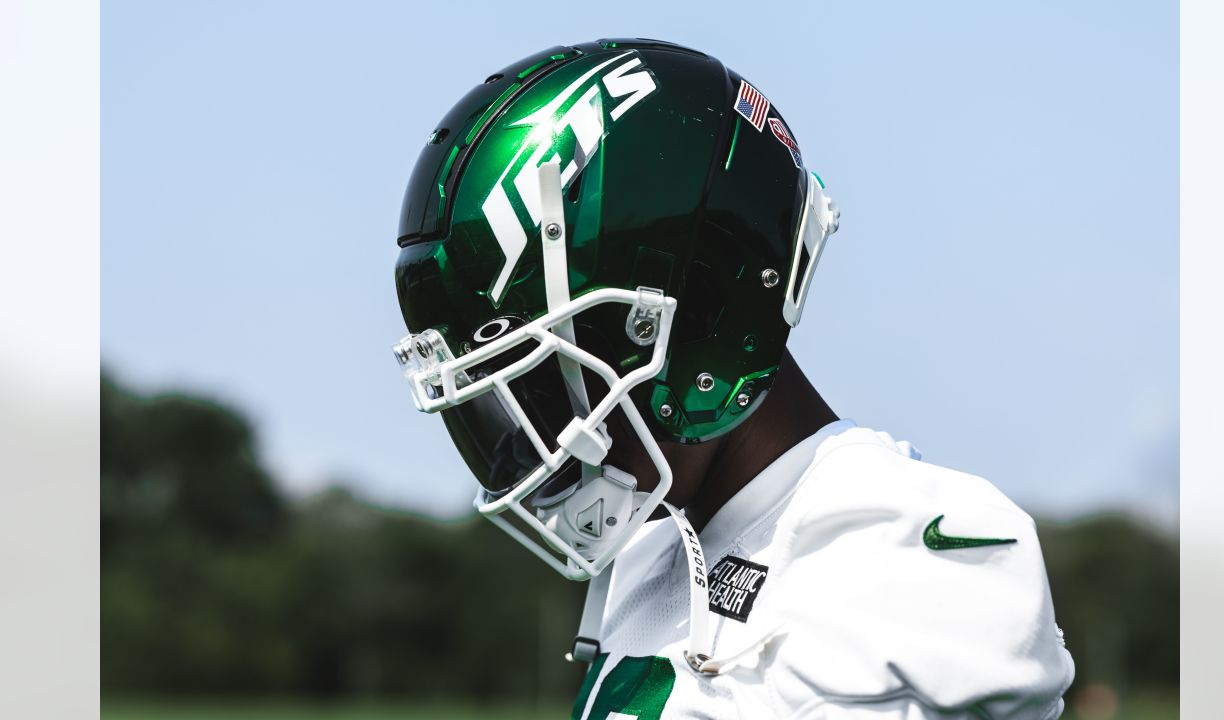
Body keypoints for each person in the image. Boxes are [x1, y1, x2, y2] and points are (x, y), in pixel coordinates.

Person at [391, 38, 1074, 719]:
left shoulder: (910, 550)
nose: (539, 446)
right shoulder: (658, 553)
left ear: (690, 321)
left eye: (542, 385)